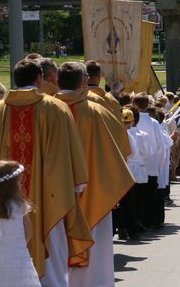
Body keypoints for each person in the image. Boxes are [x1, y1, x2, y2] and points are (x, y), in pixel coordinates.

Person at [0, 59, 91, 285]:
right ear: (39, 79)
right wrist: (75, 188)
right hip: (49, 199)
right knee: (53, 252)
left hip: (4, 199)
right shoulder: (55, 108)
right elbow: (68, 156)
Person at [54, 62, 133, 287]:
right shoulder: (97, 111)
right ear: (83, 82)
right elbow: (121, 147)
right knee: (96, 247)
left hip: (54, 194)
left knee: (58, 242)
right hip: (92, 191)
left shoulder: (45, 109)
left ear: (58, 81)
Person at [132, 93, 168, 229]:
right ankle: (153, 219)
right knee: (152, 195)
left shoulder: (134, 122)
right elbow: (160, 146)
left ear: (135, 105)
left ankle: (139, 220)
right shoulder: (153, 123)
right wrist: (160, 164)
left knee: (138, 196)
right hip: (152, 164)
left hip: (136, 165)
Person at [117, 108, 149, 240]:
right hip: (133, 169)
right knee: (132, 202)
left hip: (124, 170)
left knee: (124, 202)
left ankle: (122, 227)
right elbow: (140, 153)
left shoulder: (120, 134)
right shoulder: (131, 135)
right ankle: (132, 228)